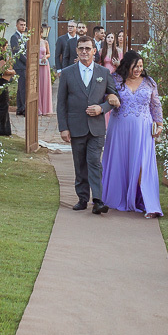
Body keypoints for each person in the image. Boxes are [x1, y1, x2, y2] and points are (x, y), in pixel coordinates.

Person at [57, 35, 120, 214]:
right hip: (76, 125)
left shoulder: (103, 73)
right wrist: (63, 127)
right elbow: (61, 103)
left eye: (87, 48)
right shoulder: (68, 73)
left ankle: (98, 200)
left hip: (97, 126)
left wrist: (102, 108)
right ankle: (82, 198)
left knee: (94, 161)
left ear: (94, 51)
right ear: (77, 51)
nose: (84, 52)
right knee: (80, 164)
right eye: (81, 48)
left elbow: (114, 97)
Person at [100, 51, 164, 218]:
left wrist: (159, 124)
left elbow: (155, 104)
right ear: (126, 65)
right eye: (135, 66)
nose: (138, 69)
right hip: (119, 128)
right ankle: (118, 196)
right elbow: (106, 95)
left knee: (143, 163)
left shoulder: (149, 82)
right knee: (120, 161)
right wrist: (111, 97)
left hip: (143, 129)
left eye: (141, 66)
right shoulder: (115, 80)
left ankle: (148, 203)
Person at [10, 18, 28, 116]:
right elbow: (17, 52)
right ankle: (23, 108)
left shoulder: (23, 37)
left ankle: (20, 108)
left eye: (24, 25)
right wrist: (27, 61)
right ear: (17, 25)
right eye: (21, 25)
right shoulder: (14, 37)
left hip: (24, 65)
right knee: (22, 87)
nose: (23, 26)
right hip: (20, 65)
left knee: (21, 87)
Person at [37, 23, 54, 116]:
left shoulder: (45, 42)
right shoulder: (31, 42)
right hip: (36, 65)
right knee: (38, 85)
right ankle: (38, 108)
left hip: (44, 65)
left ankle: (46, 109)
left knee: (45, 84)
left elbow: (49, 53)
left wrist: (45, 57)